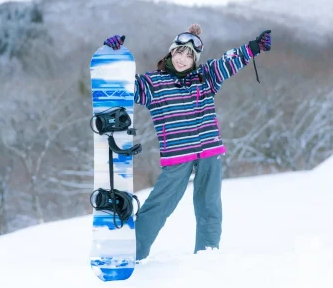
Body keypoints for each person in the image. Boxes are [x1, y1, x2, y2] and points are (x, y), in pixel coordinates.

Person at [103, 24, 271, 261]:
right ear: (171, 52)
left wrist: (254, 47)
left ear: (195, 60)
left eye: (189, 56)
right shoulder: (153, 84)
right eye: (179, 52)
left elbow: (228, 62)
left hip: (209, 151)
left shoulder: (206, 78)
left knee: (209, 206)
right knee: (159, 206)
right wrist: (113, 58)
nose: (183, 59)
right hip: (177, 155)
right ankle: (133, 253)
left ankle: (207, 256)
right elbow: (125, 87)